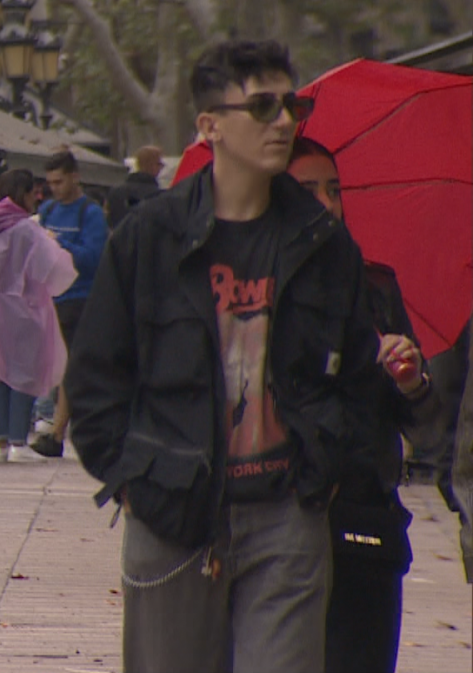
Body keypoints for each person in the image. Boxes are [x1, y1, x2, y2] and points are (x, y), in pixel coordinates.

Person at [65, 40, 378, 673]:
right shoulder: (149, 238)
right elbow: (96, 377)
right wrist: (132, 483)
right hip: (174, 510)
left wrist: (326, 464)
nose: (286, 121)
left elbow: (358, 373)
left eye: (293, 103)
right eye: (263, 106)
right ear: (210, 126)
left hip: (287, 510)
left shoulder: (324, 243)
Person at [285, 137, 442, 673]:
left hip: (363, 521)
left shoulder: (376, 286)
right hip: (279, 521)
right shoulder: (249, 297)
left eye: (334, 189)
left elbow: (426, 426)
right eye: (307, 190)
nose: (327, 202)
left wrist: (411, 380)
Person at [0, 169, 77, 462]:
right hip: (25, 311)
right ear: (23, 193)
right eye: (33, 193)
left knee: (0, 374)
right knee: (24, 376)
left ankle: (1, 441)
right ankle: (18, 442)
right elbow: (53, 269)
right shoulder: (26, 230)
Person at [29, 150, 108, 458]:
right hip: (50, 298)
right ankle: (53, 425)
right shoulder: (47, 210)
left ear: (75, 176)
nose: (54, 188)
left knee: (72, 367)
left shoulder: (89, 213)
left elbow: (94, 258)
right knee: (55, 366)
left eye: (59, 181)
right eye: (49, 182)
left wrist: (58, 243)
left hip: (80, 299)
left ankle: (58, 432)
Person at [105, 145, 164, 231]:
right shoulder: (158, 196)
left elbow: (109, 221)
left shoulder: (115, 192)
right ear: (152, 165)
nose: (161, 169)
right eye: (160, 164)